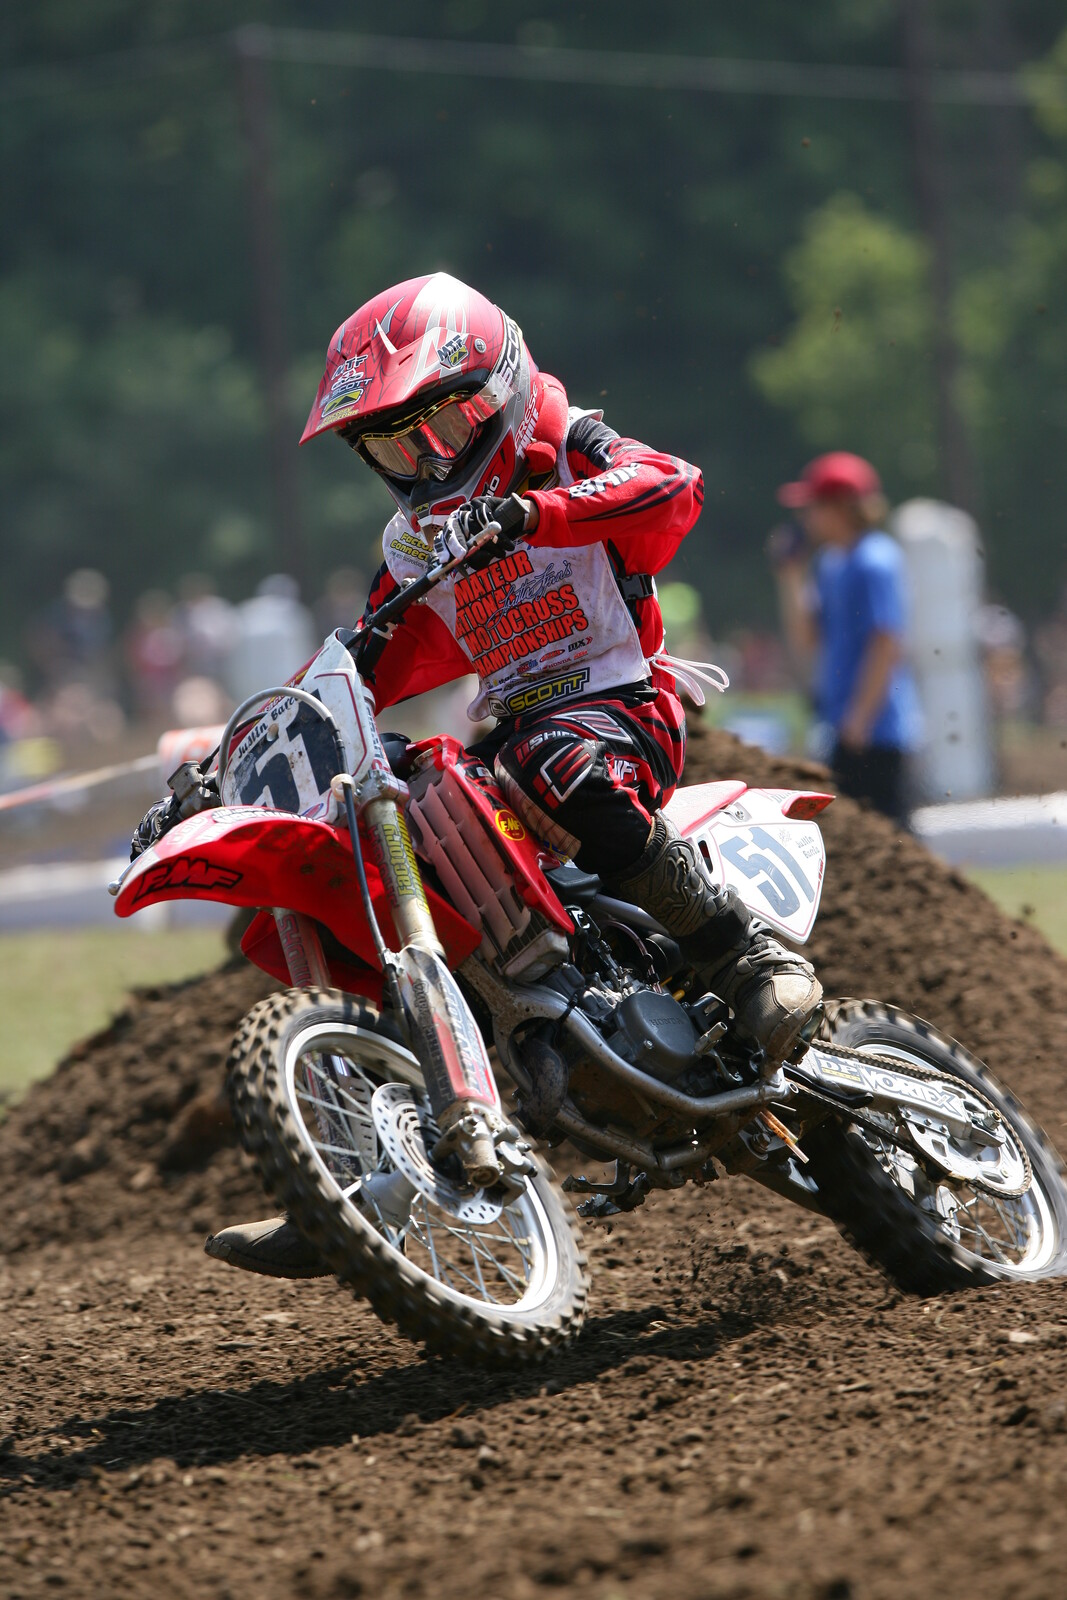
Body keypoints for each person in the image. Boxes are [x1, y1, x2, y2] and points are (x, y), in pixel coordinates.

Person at [133, 273, 821, 1278]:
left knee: (545, 755)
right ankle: (355, 1162)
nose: (420, 461)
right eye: (392, 445)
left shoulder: (566, 439)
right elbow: (357, 662)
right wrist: (223, 769)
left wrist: (536, 514)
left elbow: (671, 485)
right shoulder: (415, 540)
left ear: (497, 388)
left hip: (618, 707)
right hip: (513, 752)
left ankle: (736, 952)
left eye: (439, 429)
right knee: (378, 827)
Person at [771, 452, 921, 826]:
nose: (805, 517)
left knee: (889, 833)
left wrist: (860, 718)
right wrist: (790, 576)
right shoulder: (831, 563)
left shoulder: (875, 560)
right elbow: (808, 637)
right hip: (845, 723)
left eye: (812, 506)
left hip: (875, 729)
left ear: (840, 507)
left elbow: (886, 640)